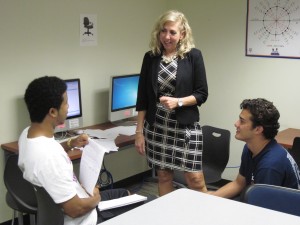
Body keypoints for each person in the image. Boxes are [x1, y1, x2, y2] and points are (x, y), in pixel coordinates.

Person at [18, 76, 132, 225]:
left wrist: (71, 143)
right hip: (85, 217)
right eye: (66, 102)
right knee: (146, 202)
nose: (68, 106)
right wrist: (96, 197)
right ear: (53, 112)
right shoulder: (49, 157)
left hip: (73, 200)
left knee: (126, 194)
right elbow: (75, 209)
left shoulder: (28, 134)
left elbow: (50, 149)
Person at [135, 10, 208, 196]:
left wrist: (179, 102)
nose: (167, 37)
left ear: (182, 34)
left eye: (173, 32)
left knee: (195, 179)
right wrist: (139, 132)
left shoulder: (193, 56)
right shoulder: (150, 57)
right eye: (163, 31)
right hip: (157, 127)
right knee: (164, 177)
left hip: (184, 127)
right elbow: (142, 98)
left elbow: (201, 94)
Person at [210, 98, 300, 200]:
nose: (236, 124)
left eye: (242, 121)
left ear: (258, 129)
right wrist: (210, 198)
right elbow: (239, 183)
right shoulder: (250, 147)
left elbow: (264, 208)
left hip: (278, 211)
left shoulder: (270, 165)